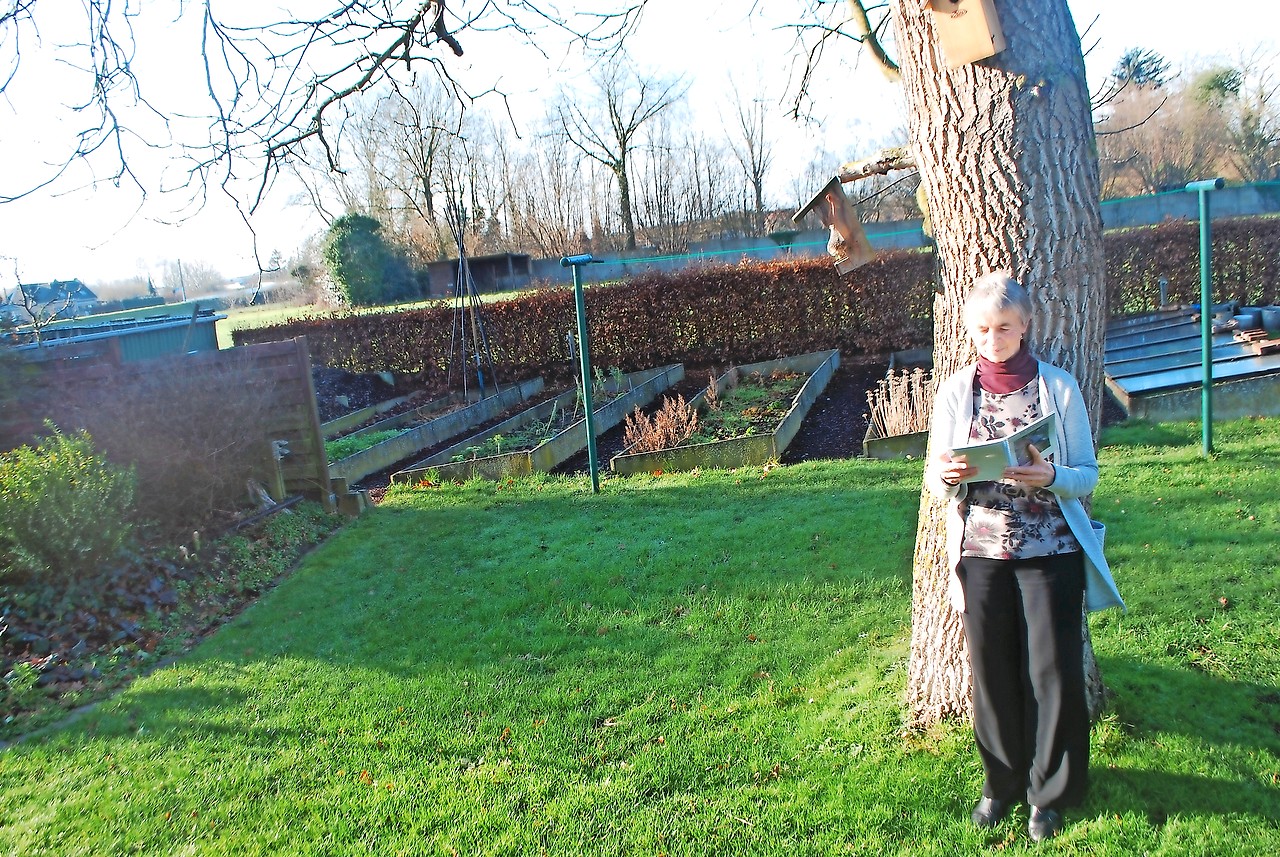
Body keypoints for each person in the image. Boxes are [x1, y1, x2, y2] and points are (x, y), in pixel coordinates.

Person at [924, 271, 1124, 843]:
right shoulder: (958, 392)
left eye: (1004, 328)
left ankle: (1051, 792)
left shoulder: (1058, 388)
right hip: (982, 552)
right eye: (983, 329)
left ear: (1025, 326)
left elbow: (1087, 475)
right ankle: (1001, 783)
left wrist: (1051, 475)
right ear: (970, 331)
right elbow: (937, 478)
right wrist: (948, 474)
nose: (993, 339)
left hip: (1050, 552)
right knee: (990, 671)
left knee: (1052, 671)